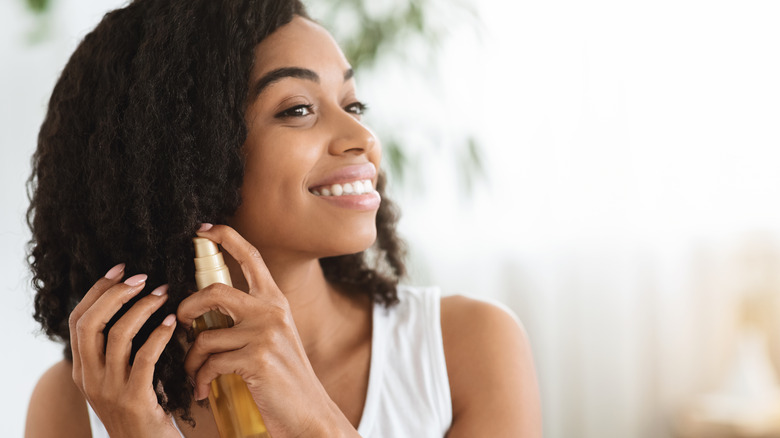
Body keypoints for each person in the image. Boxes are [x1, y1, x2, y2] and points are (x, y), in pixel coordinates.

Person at [24, 0, 541, 436]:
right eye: (297, 109)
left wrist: (314, 419)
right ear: (180, 157)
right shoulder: (77, 403)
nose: (363, 139)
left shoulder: (467, 347)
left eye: (353, 105)